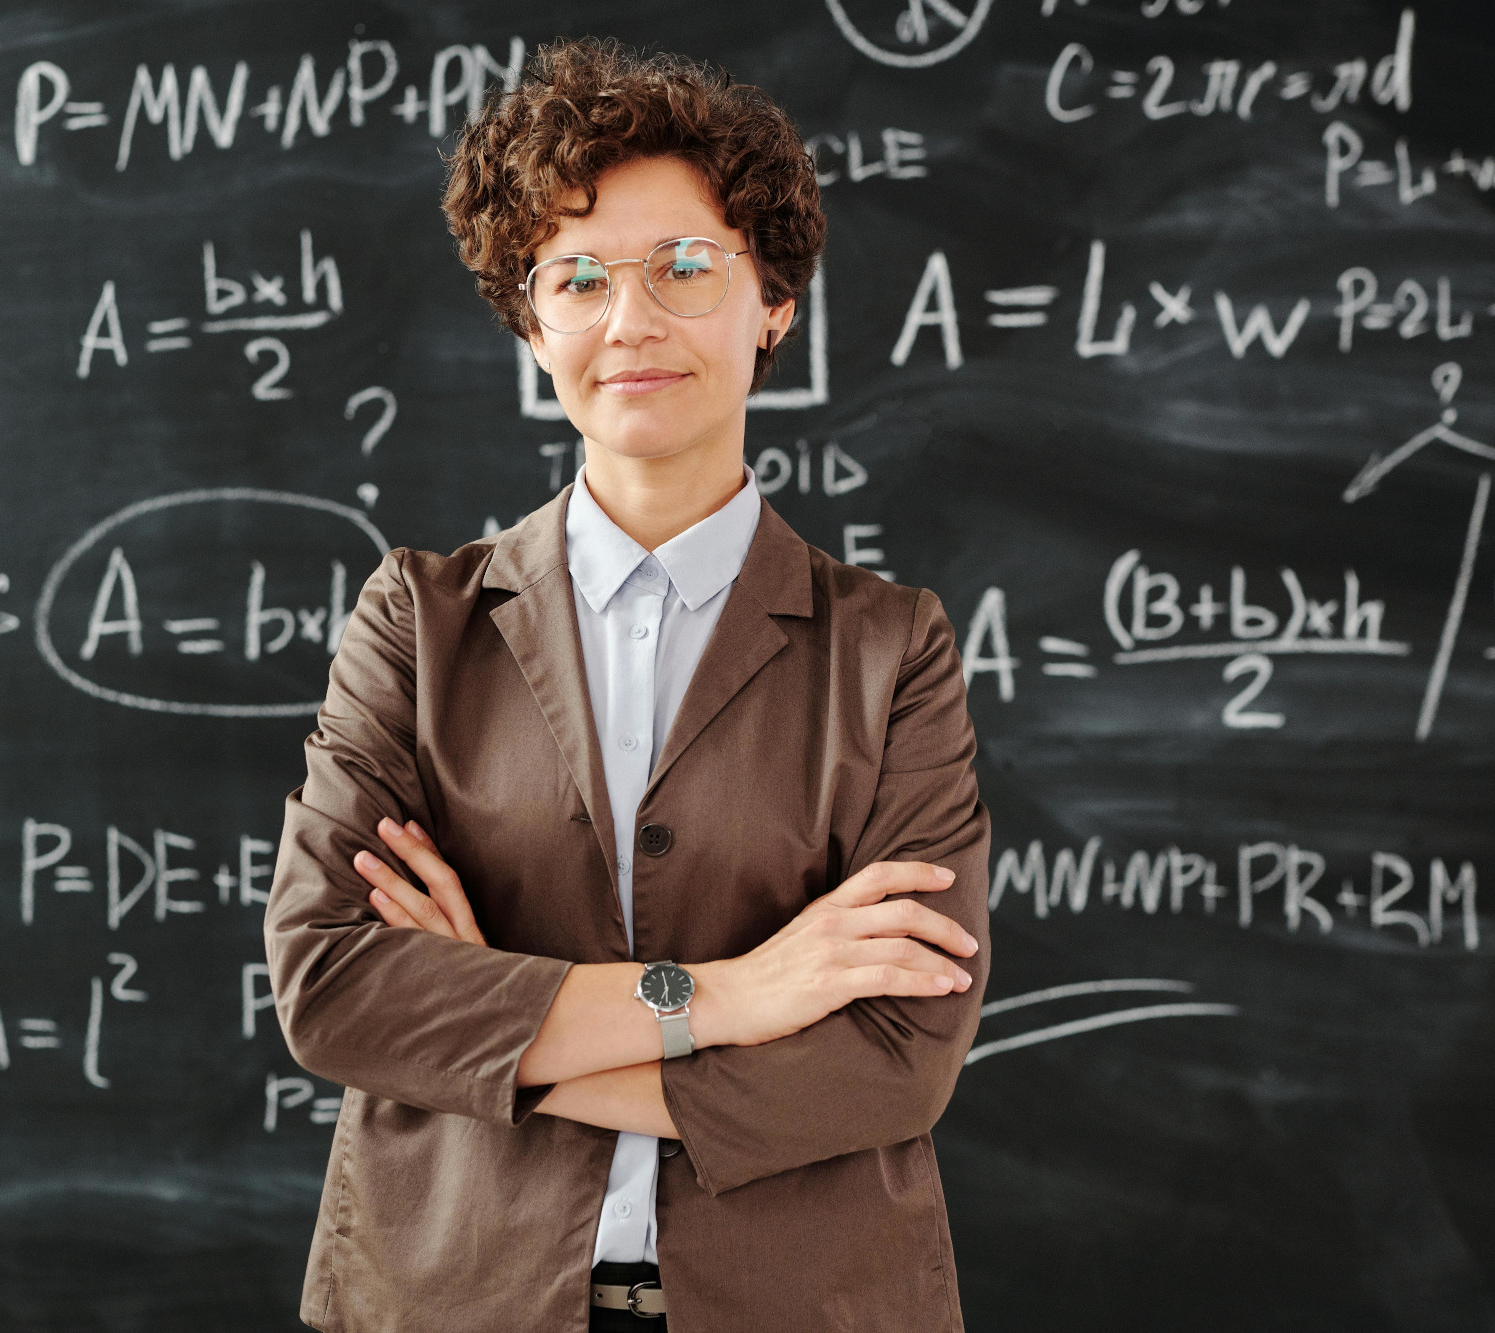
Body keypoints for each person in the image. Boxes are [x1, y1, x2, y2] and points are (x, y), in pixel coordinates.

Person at [263, 36, 992, 1333]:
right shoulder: (417, 626)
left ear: (771, 300)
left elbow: (892, 1060)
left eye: (685, 267)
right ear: (530, 317)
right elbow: (334, 984)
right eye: (579, 274)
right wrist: (734, 995)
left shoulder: (894, 650)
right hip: (449, 1299)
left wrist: (493, 1029)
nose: (631, 320)